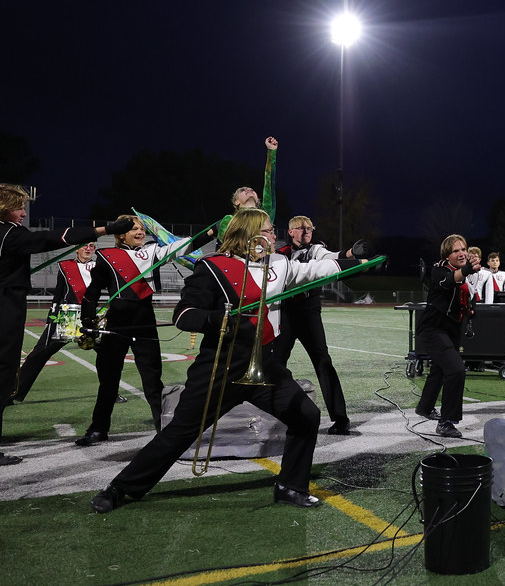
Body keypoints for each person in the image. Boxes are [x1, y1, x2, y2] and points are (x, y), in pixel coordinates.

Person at [89, 208, 365, 513]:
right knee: (180, 433)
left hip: (264, 364)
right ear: (251, 235)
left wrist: (358, 262)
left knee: (306, 415)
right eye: (270, 230)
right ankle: (120, 488)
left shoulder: (279, 263)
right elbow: (183, 314)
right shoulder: (213, 267)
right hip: (220, 366)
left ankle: (290, 486)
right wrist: (215, 318)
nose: (275, 235)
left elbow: (316, 270)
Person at [0, 184, 133, 466]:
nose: (23, 212)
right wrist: (104, 229)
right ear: (4, 207)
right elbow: (55, 238)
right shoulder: (11, 234)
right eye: (19, 207)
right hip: (4, 308)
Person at [77, 215, 214, 446]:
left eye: (142, 229)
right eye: (134, 229)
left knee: (152, 381)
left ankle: (164, 430)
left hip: (144, 322)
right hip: (117, 323)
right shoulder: (105, 256)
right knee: (109, 381)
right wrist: (87, 321)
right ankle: (98, 428)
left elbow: (184, 247)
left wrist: (214, 230)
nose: (141, 232)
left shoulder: (152, 252)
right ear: (120, 234)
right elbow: (92, 293)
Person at [274, 215, 369, 435]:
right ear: (290, 232)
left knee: (323, 362)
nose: (307, 231)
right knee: (276, 364)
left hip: (308, 312)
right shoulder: (279, 255)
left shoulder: (316, 250)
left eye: (310, 228)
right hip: (286, 313)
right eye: (302, 228)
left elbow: (332, 257)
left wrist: (351, 254)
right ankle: (276, 413)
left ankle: (340, 418)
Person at [9, 242, 97, 403]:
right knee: (40, 352)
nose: (88, 248)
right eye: (84, 245)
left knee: (107, 355)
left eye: (91, 246)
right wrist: (51, 317)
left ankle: (110, 393)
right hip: (68, 315)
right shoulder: (65, 266)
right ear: (76, 248)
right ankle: (15, 392)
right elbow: (59, 293)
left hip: (91, 316)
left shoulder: (100, 266)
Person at [414, 234, 480, 438]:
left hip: (451, 329)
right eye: (456, 250)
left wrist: (468, 310)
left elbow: (460, 297)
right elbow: (449, 281)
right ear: (446, 255)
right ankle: (446, 422)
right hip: (433, 328)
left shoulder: (464, 273)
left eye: (464, 249)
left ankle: (425, 407)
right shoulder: (439, 270)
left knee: (440, 370)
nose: (461, 253)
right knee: (456, 369)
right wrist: (469, 268)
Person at [216, 136, 278, 241]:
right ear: (236, 202)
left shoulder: (265, 215)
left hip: (261, 256)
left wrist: (271, 153)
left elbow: (269, 184)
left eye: (252, 190)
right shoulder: (229, 220)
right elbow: (225, 245)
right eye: (242, 190)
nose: (248, 190)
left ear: (258, 200)